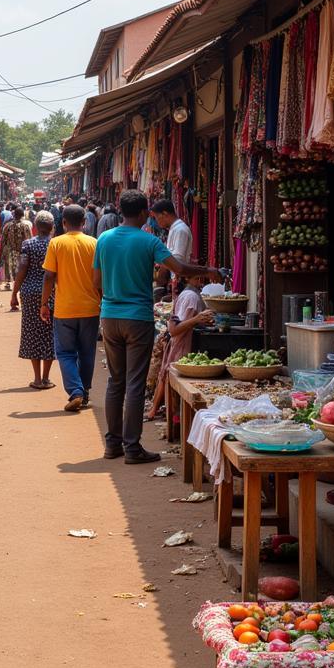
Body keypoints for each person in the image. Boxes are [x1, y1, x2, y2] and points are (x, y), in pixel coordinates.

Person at [93, 189, 220, 463]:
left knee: (116, 381)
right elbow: (180, 269)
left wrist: (111, 302)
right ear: (142, 213)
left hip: (110, 316)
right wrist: (207, 271)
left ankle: (112, 444)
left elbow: (96, 284)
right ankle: (132, 448)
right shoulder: (148, 241)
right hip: (137, 317)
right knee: (135, 383)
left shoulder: (103, 239)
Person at [41, 204, 100, 411]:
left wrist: (44, 304)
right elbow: (99, 277)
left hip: (64, 309)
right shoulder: (94, 243)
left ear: (63, 223)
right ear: (84, 222)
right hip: (91, 307)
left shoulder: (56, 243)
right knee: (87, 352)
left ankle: (75, 391)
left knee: (66, 353)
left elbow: (49, 276)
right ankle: (84, 393)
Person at [147, 273, 215, 419]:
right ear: (187, 279)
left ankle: (158, 411)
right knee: (168, 376)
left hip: (180, 341)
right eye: (195, 276)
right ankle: (170, 416)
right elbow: (175, 328)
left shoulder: (189, 295)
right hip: (182, 343)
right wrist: (196, 319)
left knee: (165, 375)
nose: (199, 279)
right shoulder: (190, 297)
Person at [11, 210, 55, 389]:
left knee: (32, 334)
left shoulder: (28, 244)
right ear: (52, 227)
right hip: (51, 293)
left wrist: (14, 293)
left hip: (29, 293)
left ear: (36, 227)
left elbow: (22, 268)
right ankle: (46, 378)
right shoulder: (55, 244)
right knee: (49, 334)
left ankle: (37, 379)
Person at [151, 199, 192, 294]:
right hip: (175, 280)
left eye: (157, 217)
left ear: (165, 214)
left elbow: (177, 259)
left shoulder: (180, 230)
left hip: (180, 281)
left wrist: (159, 263)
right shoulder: (174, 229)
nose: (156, 221)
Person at [0, 206, 32, 291]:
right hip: (23, 251)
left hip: (10, 251)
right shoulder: (25, 226)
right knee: (22, 267)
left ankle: (8, 283)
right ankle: (22, 283)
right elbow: (29, 239)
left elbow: (3, 240)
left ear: (14, 215)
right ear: (22, 215)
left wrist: (2, 252)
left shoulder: (7, 226)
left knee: (8, 266)